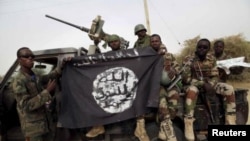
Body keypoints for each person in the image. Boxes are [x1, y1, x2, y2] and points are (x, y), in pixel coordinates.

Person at [181, 39, 236, 141]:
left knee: (229, 88)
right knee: (192, 90)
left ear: (209, 49)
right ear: (196, 47)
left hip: (209, 84)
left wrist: (210, 84)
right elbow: (186, 79)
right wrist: (202, 84)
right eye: (199, 47)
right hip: (193, 85)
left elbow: (215, 76)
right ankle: (188, 122)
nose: (202, 49)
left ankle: (230, 120)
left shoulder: (212, 59)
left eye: (205, 47)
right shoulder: (189, 59)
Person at [12, 47, 69, 141]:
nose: (30, 58)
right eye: (26, 56)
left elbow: (49, 77)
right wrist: (47, 91)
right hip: (33, 130)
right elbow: (26, 105)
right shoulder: (18, 80)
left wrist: (61, 66)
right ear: (19, 60)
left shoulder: (34, 75)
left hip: (46, 124)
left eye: (32, 56)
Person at [85, 34, 122, 138]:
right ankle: (98, 126)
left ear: (120, 42)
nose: (114, 43)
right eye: (111, 42)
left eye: (116, 41)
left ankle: (140, 128)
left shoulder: (128, 53)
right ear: (109, 45)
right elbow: (95, 59)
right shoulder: (107, 55)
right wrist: (96, 43)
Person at [150, 34, 180, 141]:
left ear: (160, 41)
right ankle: (170, 133)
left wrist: (174, 70)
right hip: (156, 85)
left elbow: (177, 66)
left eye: (156, 41)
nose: (154, 43)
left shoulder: (169, 55)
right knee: (162, 101)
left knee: (174, 97)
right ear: (150, 43)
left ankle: (163, 129)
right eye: (152, 41)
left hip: (170, 84)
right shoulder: (148, 56)